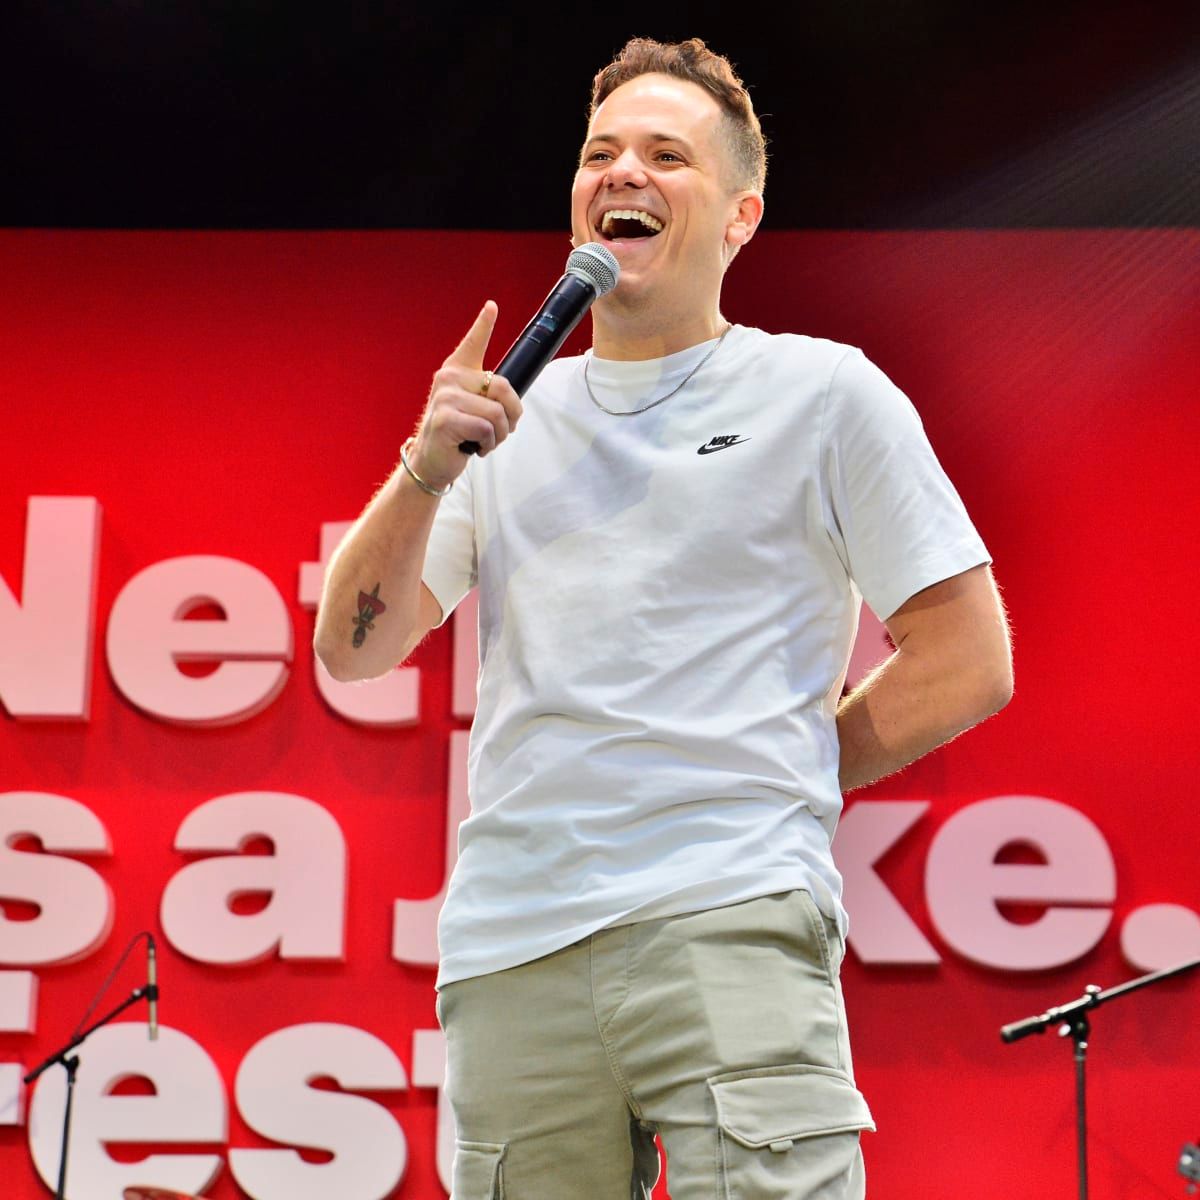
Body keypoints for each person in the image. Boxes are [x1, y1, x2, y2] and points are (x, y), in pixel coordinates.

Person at [315, 36, 1013, 1200]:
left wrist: (787, 765)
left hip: (730, 913)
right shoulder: (503, 420)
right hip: (512, 946)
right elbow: (352, 649)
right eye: (600, 153)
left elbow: (966, 656)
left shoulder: (822, 393)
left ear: (740, 216)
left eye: (664, 154)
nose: (623, 172)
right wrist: (427, 467)